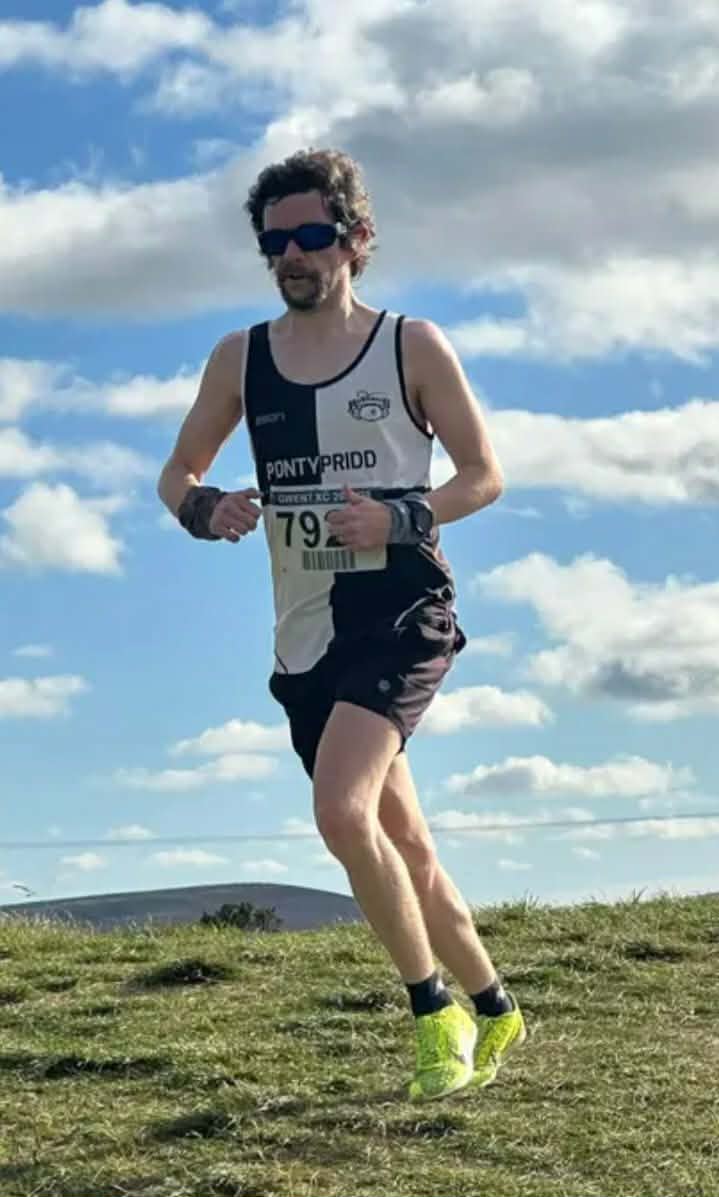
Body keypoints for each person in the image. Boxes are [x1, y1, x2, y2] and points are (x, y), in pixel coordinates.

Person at [157, 148, 525, 1102]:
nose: (292, 254)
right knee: (405, 843)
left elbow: (484, 475)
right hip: (304, 630)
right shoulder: (240, 358)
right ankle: (495, 1005)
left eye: (311, 235)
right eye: (273, 241)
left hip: (401, 609)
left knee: (340, 813)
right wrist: (207, 508)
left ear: (356, 240)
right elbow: (176, 474)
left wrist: (403, 516)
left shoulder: (411, 344)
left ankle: (432, 1010)